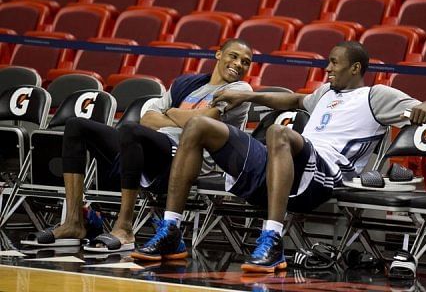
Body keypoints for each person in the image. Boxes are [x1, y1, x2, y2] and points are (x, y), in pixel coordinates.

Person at [131, 41, 426, 270]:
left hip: (325, 174)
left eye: (334, 63)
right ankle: (172, 231)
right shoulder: (326, 93)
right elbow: (291, 101)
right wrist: (248, 94)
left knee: (278, 133)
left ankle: (272, 240)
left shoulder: (376, 96)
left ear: (355, 68)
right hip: (285, 163)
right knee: (200, 125)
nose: (327, 68)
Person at [23, 38, 254, 252]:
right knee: (77, 126)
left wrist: (171, 112)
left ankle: (124, 227)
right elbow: (147, 118)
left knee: (130, 131)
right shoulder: (187, 83)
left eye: (245, 62)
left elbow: (200, 122)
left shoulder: (240, 90)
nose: (238, 64)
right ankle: (74, 221)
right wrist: (180, 117)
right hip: (153, 147)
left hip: (187, 158)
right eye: (233, 56)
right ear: (218, 54)